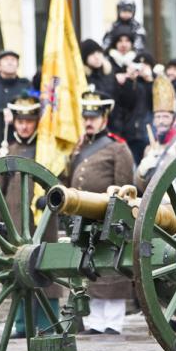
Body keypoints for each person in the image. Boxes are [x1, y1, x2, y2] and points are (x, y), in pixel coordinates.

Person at [0, 92, 63, 338]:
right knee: (16, 271)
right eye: (20, 121)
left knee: (45, 267)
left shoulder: (46, 150)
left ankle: (47, 322)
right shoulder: (8, 149)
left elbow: (61, 179)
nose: (23, 125)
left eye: (29, 121)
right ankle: (21, 324)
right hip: (14, 220)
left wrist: (51, 196)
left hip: (42, 220)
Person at [67, 89, 134, 335]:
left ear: (104, 118)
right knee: (90, 267)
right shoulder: (79, 146)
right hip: (83, 218)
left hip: (108, 217)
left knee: (112, 268)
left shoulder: (118, 148)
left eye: (93, 117)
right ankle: (95, 321)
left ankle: (113, 322)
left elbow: (125, 187)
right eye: (86, 117)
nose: (88, 121)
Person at [135, 74, 176, 217]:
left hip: (174, 217)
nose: (161, 121)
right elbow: (142, 188)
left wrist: (169, 212)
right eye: (158, 117)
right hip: (152, 214)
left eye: (166, 117)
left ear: (175, 121)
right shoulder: (150, 149)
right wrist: (141, 173)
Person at [113, 51, 154, 165]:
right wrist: (130, 81)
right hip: (131, 134)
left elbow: (155, 104)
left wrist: (150, 80)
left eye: (146, 65)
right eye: (139, 65)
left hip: (149, 134)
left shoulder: (155, 83)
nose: (142, 69)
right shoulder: (132, 83)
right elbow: (126, 103)